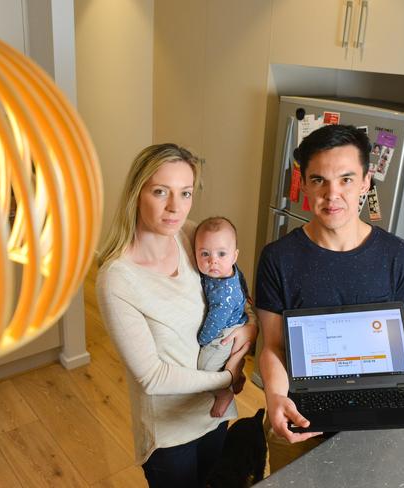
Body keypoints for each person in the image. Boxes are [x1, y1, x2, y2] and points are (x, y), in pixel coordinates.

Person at [255, 124, 404, 471]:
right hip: (298, 412)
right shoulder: (278, 258)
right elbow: (273, 346)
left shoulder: (398, 255)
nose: (332, 195)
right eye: (318, 180)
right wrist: (275, 396)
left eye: (345, 179)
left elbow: (403, 343)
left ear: (366, 180)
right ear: (304, 182)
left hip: (373, 416)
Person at [96, 143, 257, 488]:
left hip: (214, 415)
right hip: (170, 434)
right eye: (160, 192)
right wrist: (227, 380)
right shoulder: (117, 279)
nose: (175, 208)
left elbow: (235, 294)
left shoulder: (191, 237)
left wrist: (251, 327)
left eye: (185, 193)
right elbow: (152, 377)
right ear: (137, 193)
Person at [194, 216, 250, 418]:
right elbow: (244, 285)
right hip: (236, 319)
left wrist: (202, 340)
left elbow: (214, 322)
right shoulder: (229, 270)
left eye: (221, 254)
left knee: (205, 367)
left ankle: (223, 392)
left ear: (234, 256)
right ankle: (237, 375)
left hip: (226, 331)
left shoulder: (224, 294)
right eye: (205, 254)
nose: (213, 261)